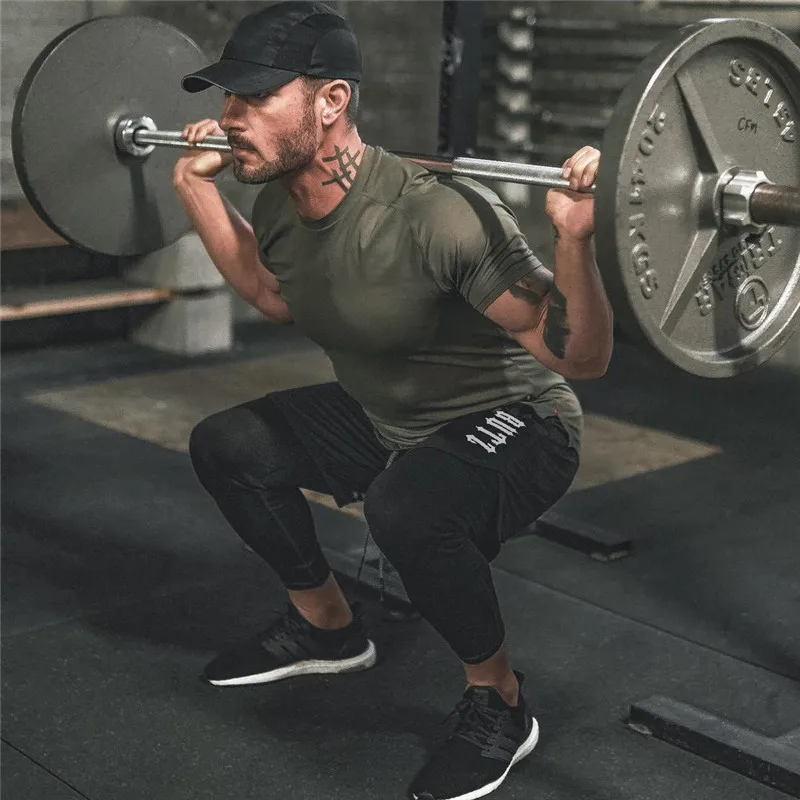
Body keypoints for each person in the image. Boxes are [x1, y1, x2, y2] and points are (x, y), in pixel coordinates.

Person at [174, 2, 613, 798]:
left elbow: (577, 356)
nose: (230, 117)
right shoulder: (278, 200)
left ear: (331, 101)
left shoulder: (438, 213)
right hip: (388, 416)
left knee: (406, 506)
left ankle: (500, 701)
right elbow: (274, 294)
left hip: (518, 419)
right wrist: (194, 189)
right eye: (228, 97)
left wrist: (574, 241)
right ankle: (326, 627)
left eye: (256, 97)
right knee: (229, 445)